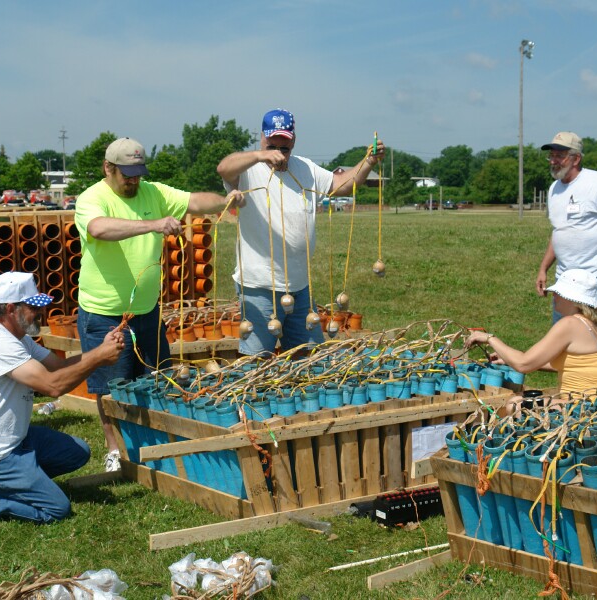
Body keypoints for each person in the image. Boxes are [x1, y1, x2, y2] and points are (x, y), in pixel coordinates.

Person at [74, 137, 244, 472]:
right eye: (127, 173)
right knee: (110, 388)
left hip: (147, 311)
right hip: (104, 313)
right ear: (108, 168)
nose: (134, 180)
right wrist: (153, 224)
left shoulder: (153, 191)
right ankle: (115, 451)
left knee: (155, 377)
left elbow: (195, 201)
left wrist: (224, 200)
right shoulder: (91, 198)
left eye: (138, 172)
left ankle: (152, 445)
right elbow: (99, 228)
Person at [0, 272, 125, 526]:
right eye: (33, 307)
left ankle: (17, 485)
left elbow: (58, 367)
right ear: (11, 309)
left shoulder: (19, 339)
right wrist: (99, 356)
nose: (41, 312)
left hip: (9, 443)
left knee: (77, 452)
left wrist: (99, 350)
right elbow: (53, 385)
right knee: (56, 509)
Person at [217, 108, 385, 356]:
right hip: (259, 285)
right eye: (272, 143)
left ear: (293, 139)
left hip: (299, 286)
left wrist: (368, 161)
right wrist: (259, 156)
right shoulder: (249, 170)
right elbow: (223, 168)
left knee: (307, 357)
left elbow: (342, 185)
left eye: (284, 145)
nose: (278, 150)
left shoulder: (305, 169)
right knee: (256, 360)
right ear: (262, 138)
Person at [535, 131, 597, 387]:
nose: (553, 160)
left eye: (559, 155)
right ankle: (573, 384)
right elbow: (558, 233)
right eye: (551, 155)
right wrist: (544, 267)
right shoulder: (554, 189)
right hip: (566, 278)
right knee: (565, 334)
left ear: (575, 158)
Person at [465, 269, 597, 406]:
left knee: (516, 404)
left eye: (559, 293)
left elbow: (523, 364)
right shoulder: (591, 324)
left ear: (572, 298)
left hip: (585, 407)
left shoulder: (569, 324)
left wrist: (490, 338)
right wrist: (508, 359)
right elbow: (571, 363)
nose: (554, 295)